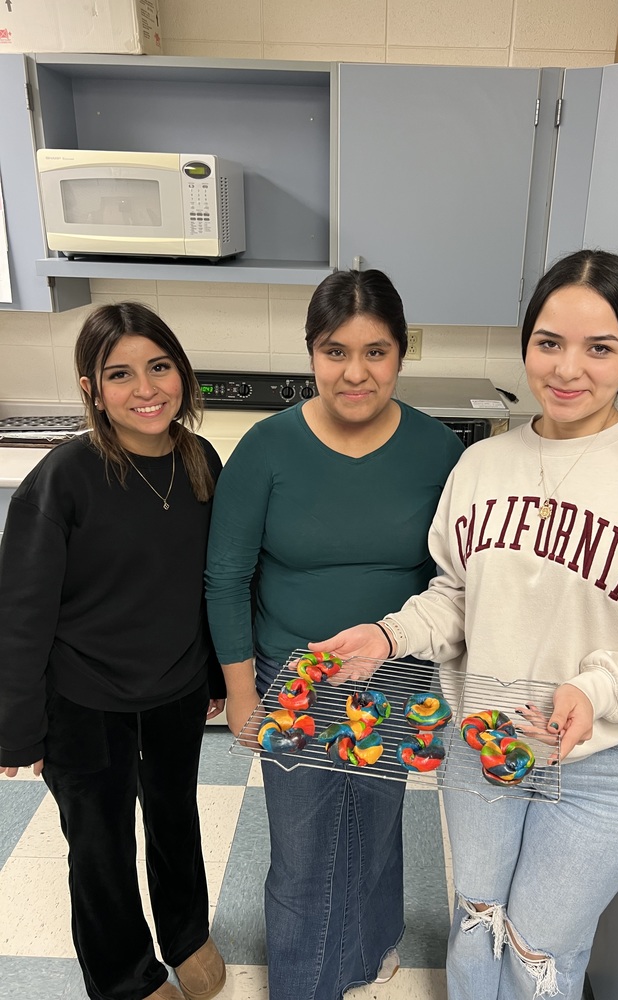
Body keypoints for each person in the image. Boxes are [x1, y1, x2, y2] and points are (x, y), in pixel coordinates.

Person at [310, 250, 618, 1000]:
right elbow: (458, 595)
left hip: (604, 767)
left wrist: (597, 688)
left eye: (599, 347)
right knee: (477, 917)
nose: (568, 368)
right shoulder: (483, 466)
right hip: (479, 746)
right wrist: (389, 636)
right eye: (549, 342)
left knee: (539, 945)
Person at [204, 268, 464, 1000]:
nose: (355, 373)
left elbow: (456, 580)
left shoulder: (439, 451)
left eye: (376, 352)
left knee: (376, 827)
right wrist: (243, 695)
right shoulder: (266, 449)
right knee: (304, 849)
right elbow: (225, 577)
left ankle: (371, 943)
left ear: (401, 354)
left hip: (396, 674)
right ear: (311, 353)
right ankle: (303, 982)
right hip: (294, 677)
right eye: (335, 350)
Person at [0, 303, 228, 1000]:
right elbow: (21, 610)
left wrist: (217, 671)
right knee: (98, 846)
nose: (146, 388)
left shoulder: (200, 461)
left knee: (174, 817)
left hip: (175, 687)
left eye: (159, 366)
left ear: (182, 374)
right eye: (120, 373)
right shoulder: (65, 476)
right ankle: (125, 974)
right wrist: (17, 727)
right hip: (82, 697)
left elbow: (211, 581)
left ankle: (186, 934)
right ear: (90, 389)